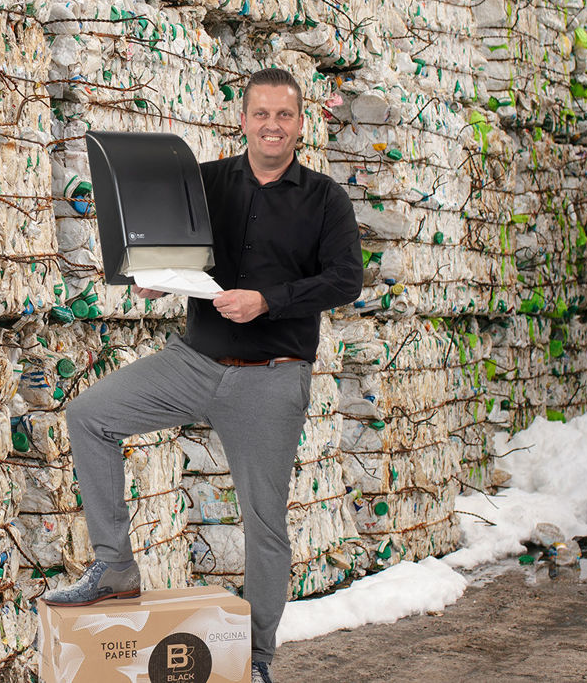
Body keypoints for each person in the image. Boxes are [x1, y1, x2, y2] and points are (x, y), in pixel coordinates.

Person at [43, 68, 363, 683]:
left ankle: (260, 660)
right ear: (242, 119)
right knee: (90, 415)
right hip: (195, 362)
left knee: (264, 522)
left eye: (285, 116)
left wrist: (266, 300)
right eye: (261, 114)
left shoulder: (325, 198)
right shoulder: (207, 180)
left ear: (301, 123)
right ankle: (114, 566)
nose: (273, 126)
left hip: (273, 375)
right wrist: (154, 272)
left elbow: (345, 280)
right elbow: (172, 242)